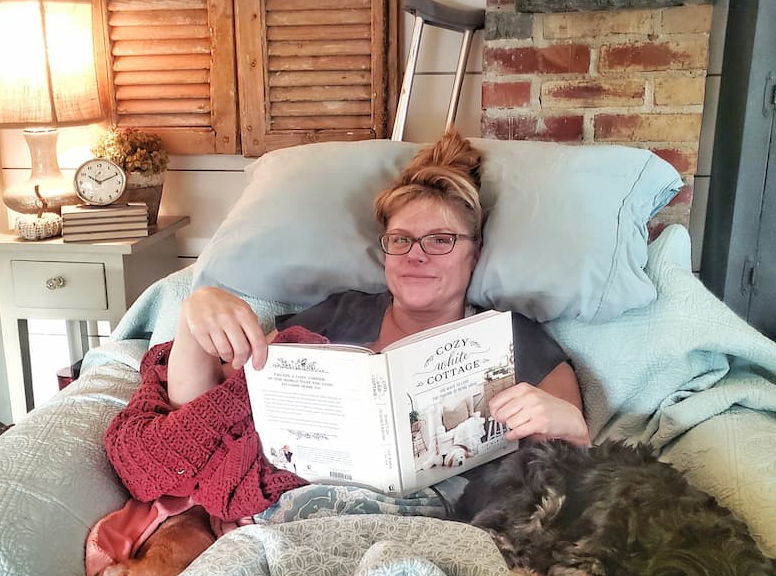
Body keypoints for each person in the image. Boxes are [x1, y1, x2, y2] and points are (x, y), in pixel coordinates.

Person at [104, 130, 589, 522]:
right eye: (401, 240)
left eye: (440, 240)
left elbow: (574, 490)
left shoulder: (513, 339)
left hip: (441, 528)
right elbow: (202, 415)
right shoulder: (339, 315)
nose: (416, 256)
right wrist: (196, 314)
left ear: (474, 254)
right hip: (293, 517)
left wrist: (572, 428)